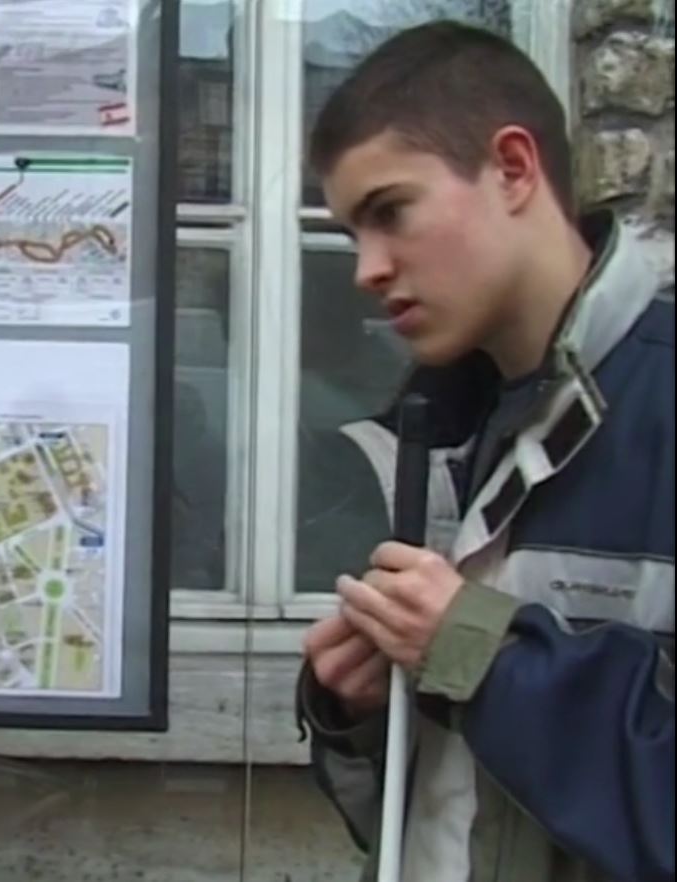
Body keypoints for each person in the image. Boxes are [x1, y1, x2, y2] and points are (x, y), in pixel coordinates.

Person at [296, 21, 675, 882]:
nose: (366, 268)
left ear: (512, 168)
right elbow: (455, 815)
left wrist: (478, 651)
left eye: (390, 212)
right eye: (353, 233)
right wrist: (361, 713)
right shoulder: (431, 436)